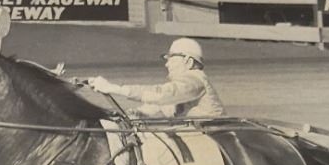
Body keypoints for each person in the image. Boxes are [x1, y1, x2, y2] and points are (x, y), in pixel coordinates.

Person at [88, 38, 226, 119]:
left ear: (188, 62)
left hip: (212, 136)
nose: (167, 64)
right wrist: (140, 112)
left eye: (171, 58)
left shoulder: (194, 80)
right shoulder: (186, 86)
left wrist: (112, 88)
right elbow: (164, 105)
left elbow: (161, 94)